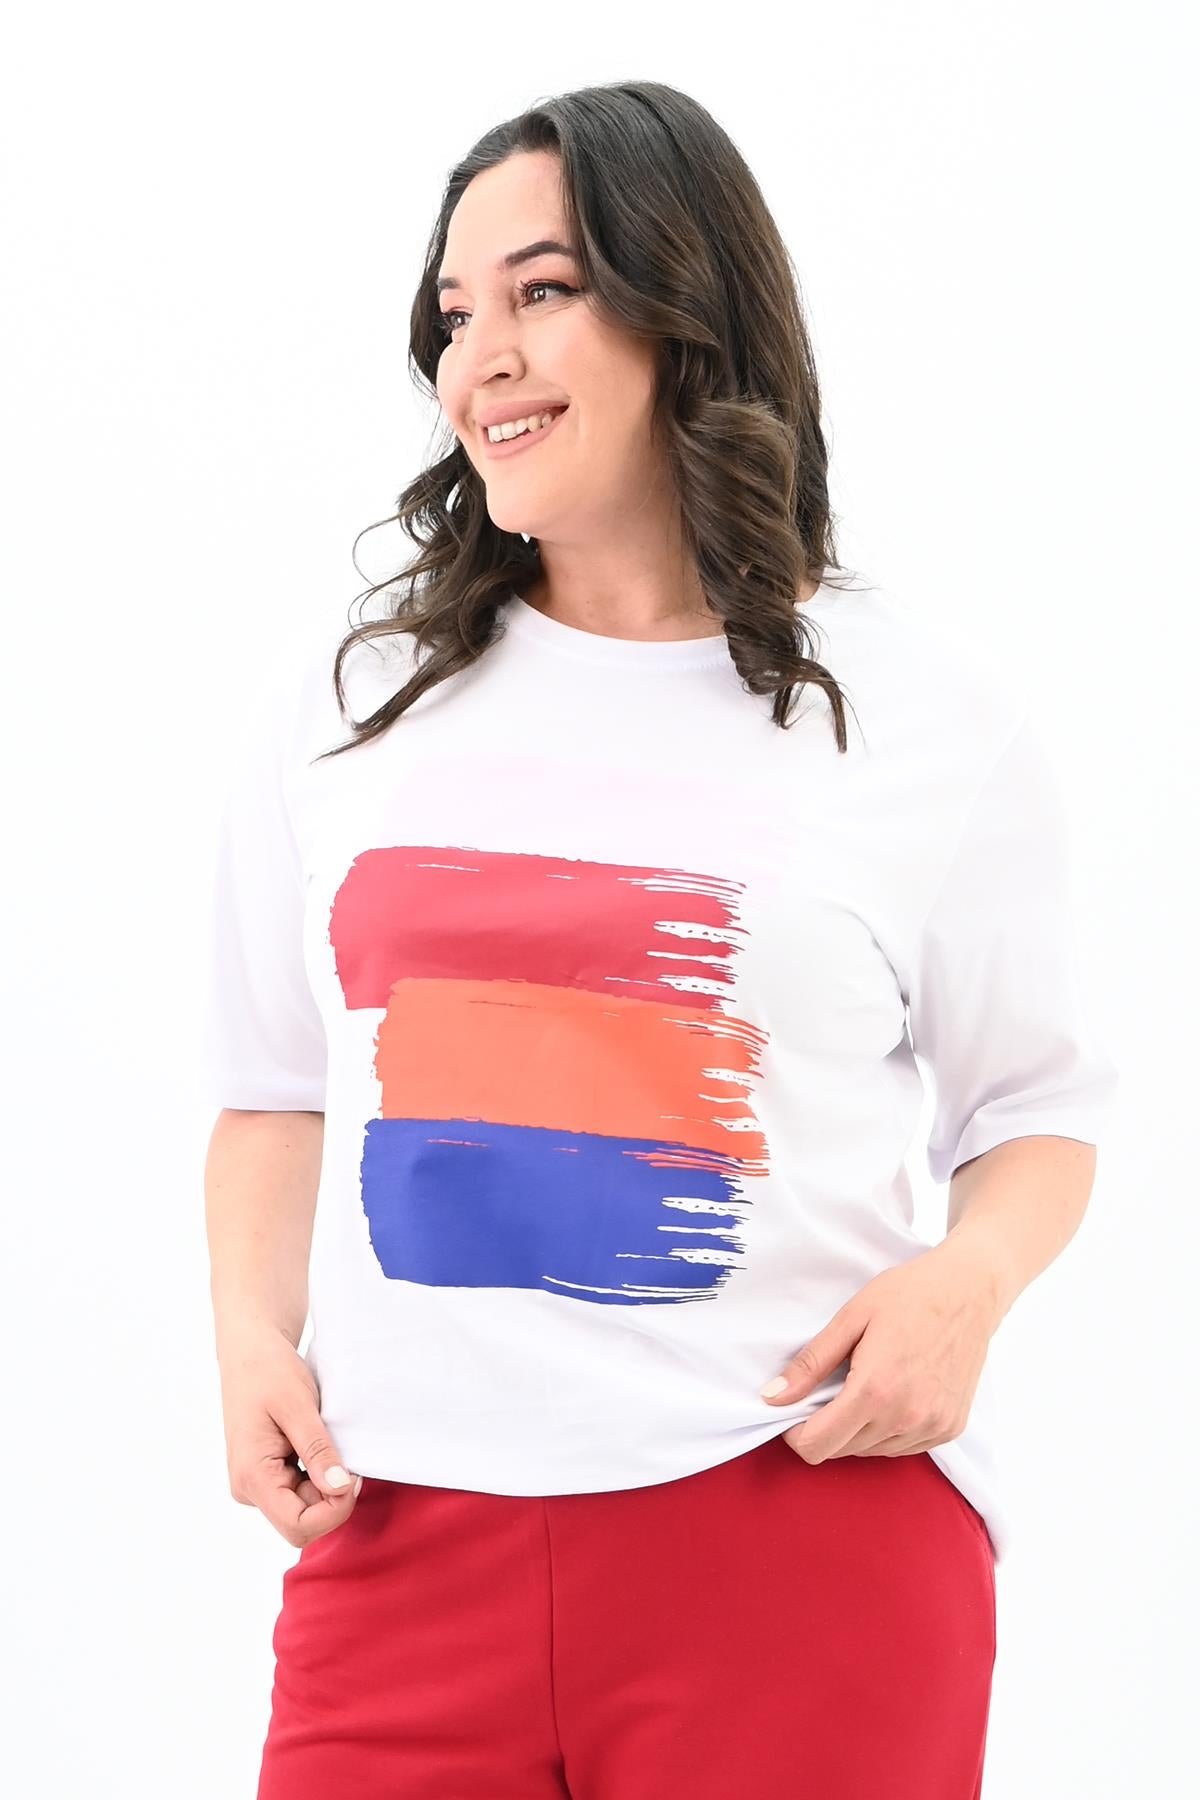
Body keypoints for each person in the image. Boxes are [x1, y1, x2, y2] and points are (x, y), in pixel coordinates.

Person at [201, 81, 1118, 1800]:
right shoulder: (354, 709)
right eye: (454, 314)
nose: (480, 359)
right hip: (397, 1549)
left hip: (794, 1533)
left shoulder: (922, 720)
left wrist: (966, 1287)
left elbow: (1038, 1111)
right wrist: (252, 1339)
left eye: (543, 292)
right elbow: (272, 1084)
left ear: (686, 308)